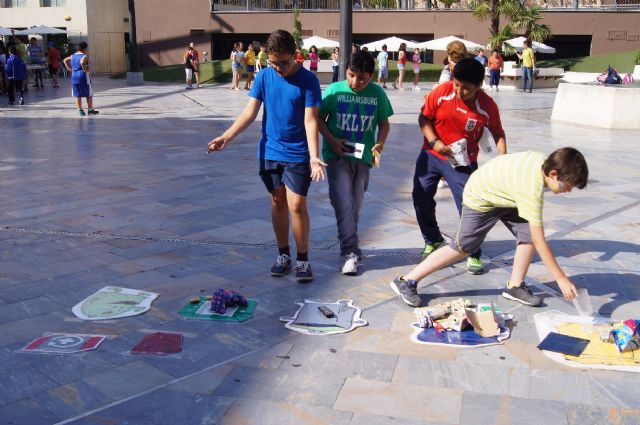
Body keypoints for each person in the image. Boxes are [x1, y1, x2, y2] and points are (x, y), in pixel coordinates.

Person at [390, 147, 589, 308]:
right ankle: (407, 281)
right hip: (481, 195)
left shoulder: (543, 162)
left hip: (506, 195)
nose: (568, 191)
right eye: (567, 186)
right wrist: (561, 278)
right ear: (553, 174)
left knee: (527, 234)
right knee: (464, 246)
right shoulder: (531, 188)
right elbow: (540, 240)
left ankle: (515, 286)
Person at [207, 29, 325, 282]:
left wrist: (314, 156)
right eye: (274, 62)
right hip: (270, 151)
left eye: (284, 62)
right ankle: (283, 255)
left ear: (295, 55)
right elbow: (250, 113)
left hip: (298, 153)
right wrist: (226, 136)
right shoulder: (264, 77)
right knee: (277, 201)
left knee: (297, 205)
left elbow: (310, 121)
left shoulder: (308, 80)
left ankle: (303, 259)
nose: (279, 67)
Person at [412, 58, 507, 276]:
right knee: (421, 197)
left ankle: (472, 250)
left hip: (462, 163)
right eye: (457, 84)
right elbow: (424, 118)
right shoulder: (442, 91)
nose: (459, 90)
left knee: (469, 206)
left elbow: (498, 133)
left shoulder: (487, 106)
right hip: (431, 155)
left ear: (478, 86)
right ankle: (433, 239)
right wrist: (435, 141)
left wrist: (503, 160)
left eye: (466, 88)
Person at [318, 50, 393, 275]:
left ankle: (350, 240)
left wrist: (379, 144)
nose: (355, 82)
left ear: (371, 76)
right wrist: (331, 140)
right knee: (343, 201)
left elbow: (384, 123)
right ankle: (349, 250)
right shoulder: (333, 90)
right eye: (351, 75)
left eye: (362, 78)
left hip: (363, 158)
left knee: (356, 203)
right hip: (337, 155)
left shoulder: (377, 93)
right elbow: (318, 119)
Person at [63, 41, 99, 116]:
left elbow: (65, 60)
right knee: (89, 94)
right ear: (84, 48)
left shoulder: (72, 56)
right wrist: (84, 69)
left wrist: (70, 69)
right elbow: (82, 62)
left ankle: (80, 110)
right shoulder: (84, 56)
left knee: (77, 94)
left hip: (74, 75)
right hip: (83, 76)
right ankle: (90, 110)